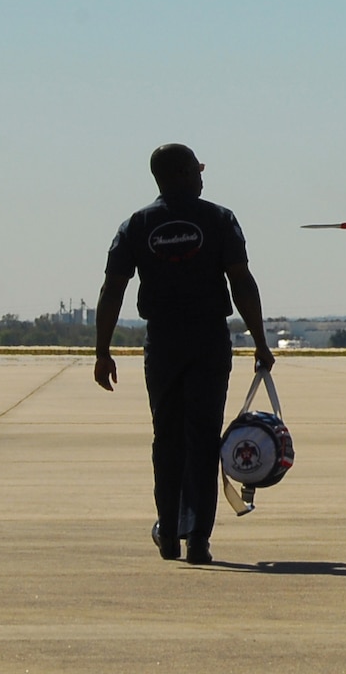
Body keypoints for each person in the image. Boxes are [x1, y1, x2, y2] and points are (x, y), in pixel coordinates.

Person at [94, 144, 274, 564]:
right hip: (208, 340)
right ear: (182, 173)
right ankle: (198, 541)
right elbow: (242, 282)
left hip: (163, 343)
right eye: (198, 168)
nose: (202, 175)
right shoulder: (219, 219)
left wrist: (102, 352)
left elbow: (112, 290)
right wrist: (261, 341)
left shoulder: (137, 224)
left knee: (167, 438)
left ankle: (172, 535)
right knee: (203, 438)